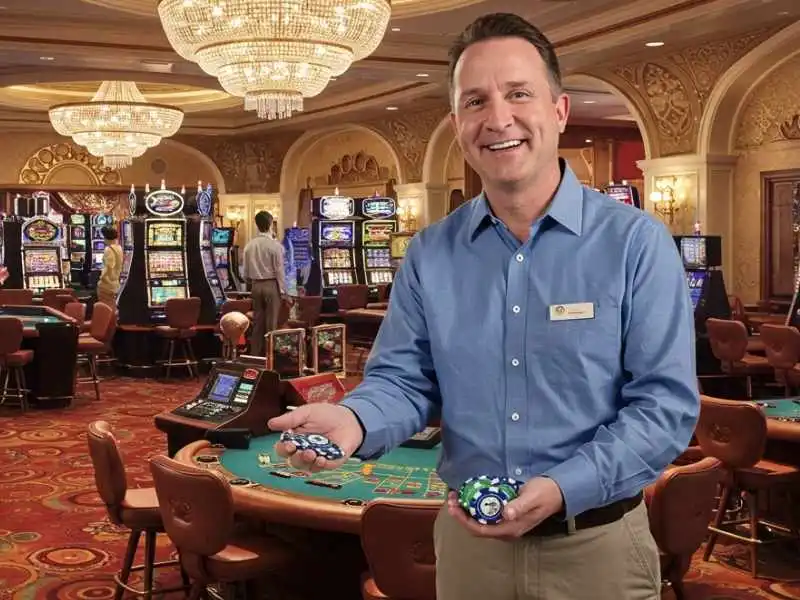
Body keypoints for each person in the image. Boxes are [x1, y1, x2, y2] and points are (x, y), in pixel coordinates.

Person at [269, 12, 699, 600]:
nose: (498, 119)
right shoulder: (430, 251)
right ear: (457, 122)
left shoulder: (635, 243)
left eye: (519, 93)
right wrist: (355, 419)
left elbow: (664, 408)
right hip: (470, 549)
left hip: (595, 548)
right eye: (475, 101)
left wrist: (562, 487)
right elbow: (404, 381)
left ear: (559, 110)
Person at [241, 211, 287, 356]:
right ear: (270, 224)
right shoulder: (275, 246)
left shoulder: (249, 245)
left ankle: (255, 356)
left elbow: (245, 273)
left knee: (258, 324)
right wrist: (284, 291)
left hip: (255, 285)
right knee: (271, 324)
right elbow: (279, 271)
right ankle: (270, 357)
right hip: (271, 284)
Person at [96, 226, 122, 307]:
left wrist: (102, 278)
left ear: (107, 238)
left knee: (105, 308)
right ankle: (112, 319)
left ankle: (107, 320)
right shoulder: (119, 248)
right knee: (111, 306)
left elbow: (109, 267)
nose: (103, 240)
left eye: (104, 238)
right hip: (115, 283)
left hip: (107, 284)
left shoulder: (109, 249)